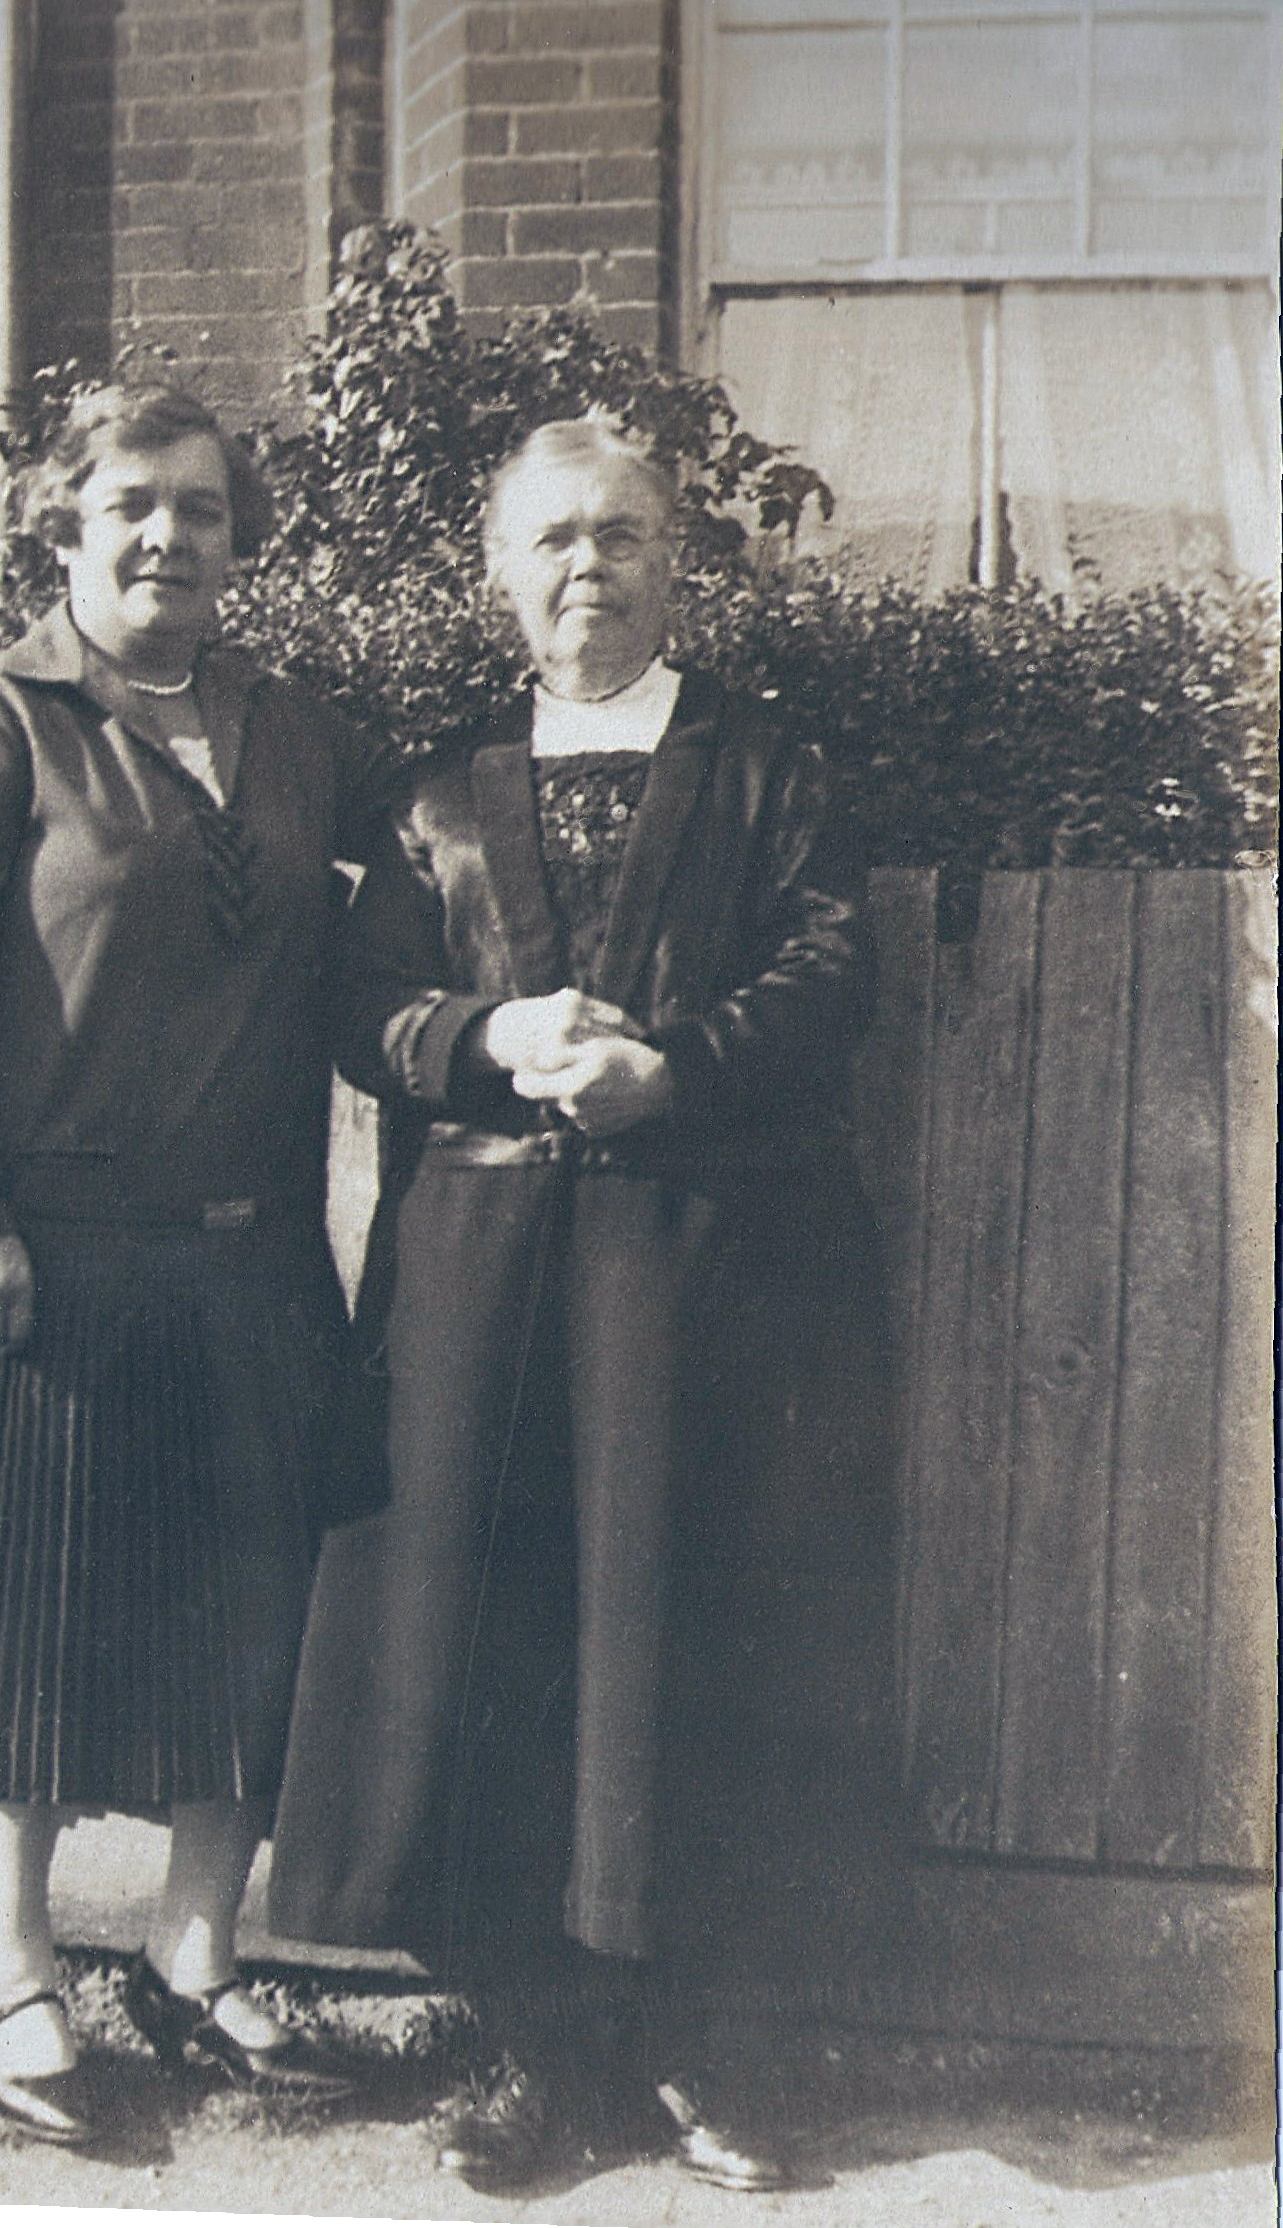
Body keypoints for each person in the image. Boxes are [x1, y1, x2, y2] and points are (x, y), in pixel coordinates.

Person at [268, 418, 882, 2192]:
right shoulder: (435, 796)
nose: (586, 568)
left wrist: (670, 1072)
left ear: (680, 562)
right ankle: (544, 2051)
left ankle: (701, 2051)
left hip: (710, 1279)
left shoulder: (778, 776)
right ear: (497, 577)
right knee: (506, 1645)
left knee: (693, 1643)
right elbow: (362, 1004)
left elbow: (832, 978)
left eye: (621, 534)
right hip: (483, 1294)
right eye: (550, 540)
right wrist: (482, 1041)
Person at [0, 382, 382, 2145]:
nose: (167, 538)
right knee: (42, 1632)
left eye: (201, 510)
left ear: (242, 537)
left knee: (246, 1619)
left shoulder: (294, 730)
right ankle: (13, 1966)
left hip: (255, 1254)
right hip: (51, 1264)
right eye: (131, 505)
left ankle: (198, 1959)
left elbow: (349, 960)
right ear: (63, 529)